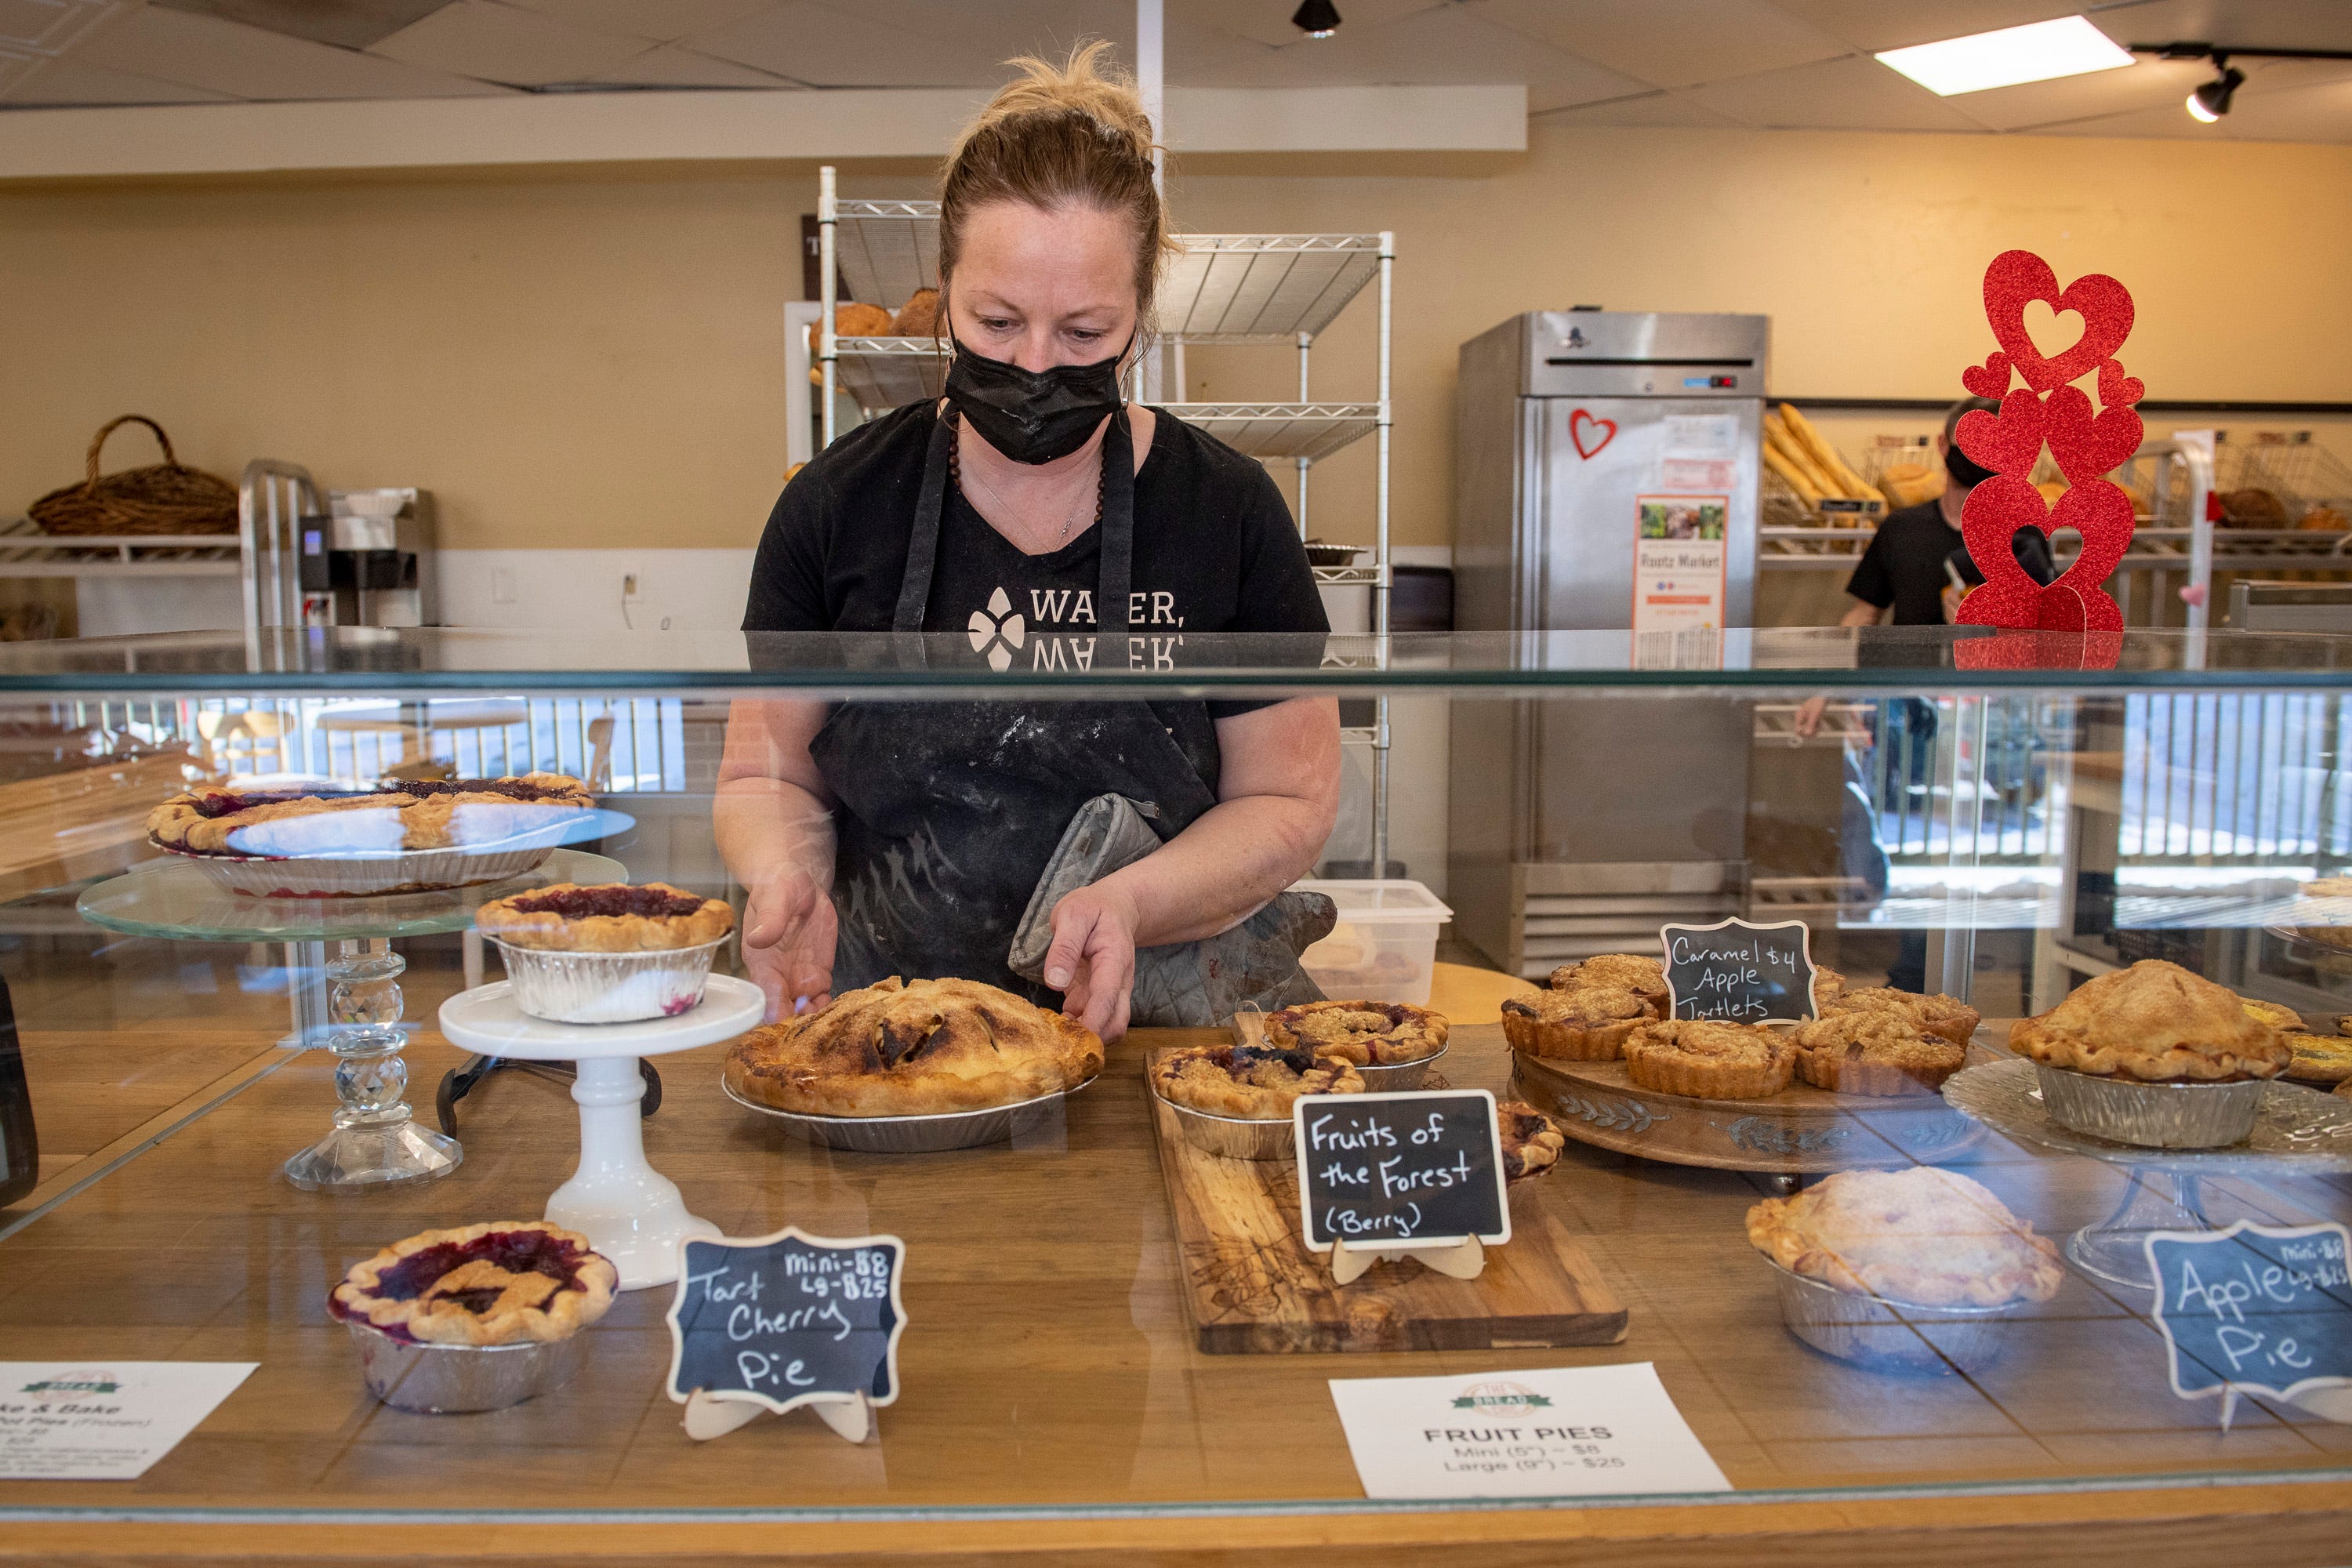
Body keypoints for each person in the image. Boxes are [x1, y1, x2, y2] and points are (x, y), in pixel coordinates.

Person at [716, 45, 1341, 1042]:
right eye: (996, 321)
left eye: (1086, 331)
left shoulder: (1227, 509)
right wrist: (784, 872)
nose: (1038, 364)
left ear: (1141, 311)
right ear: (944, 287)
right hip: (893, 1032)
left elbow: (1289, 798)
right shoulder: (838, 504)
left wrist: (1133, 903)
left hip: (1157, 1028)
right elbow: (768, 774)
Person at [1791, 397, 2056, 991]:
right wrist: (1822, 688)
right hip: (1907, 721)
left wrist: (1994, 620)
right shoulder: (1902, 529)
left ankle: (1992, 983)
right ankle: (1912, 985)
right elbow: (1863, 613)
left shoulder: (2024, 537)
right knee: (1908, 857)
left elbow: (2049, 635)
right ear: (1943, 445)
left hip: (1991, 727)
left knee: (1980, 858)